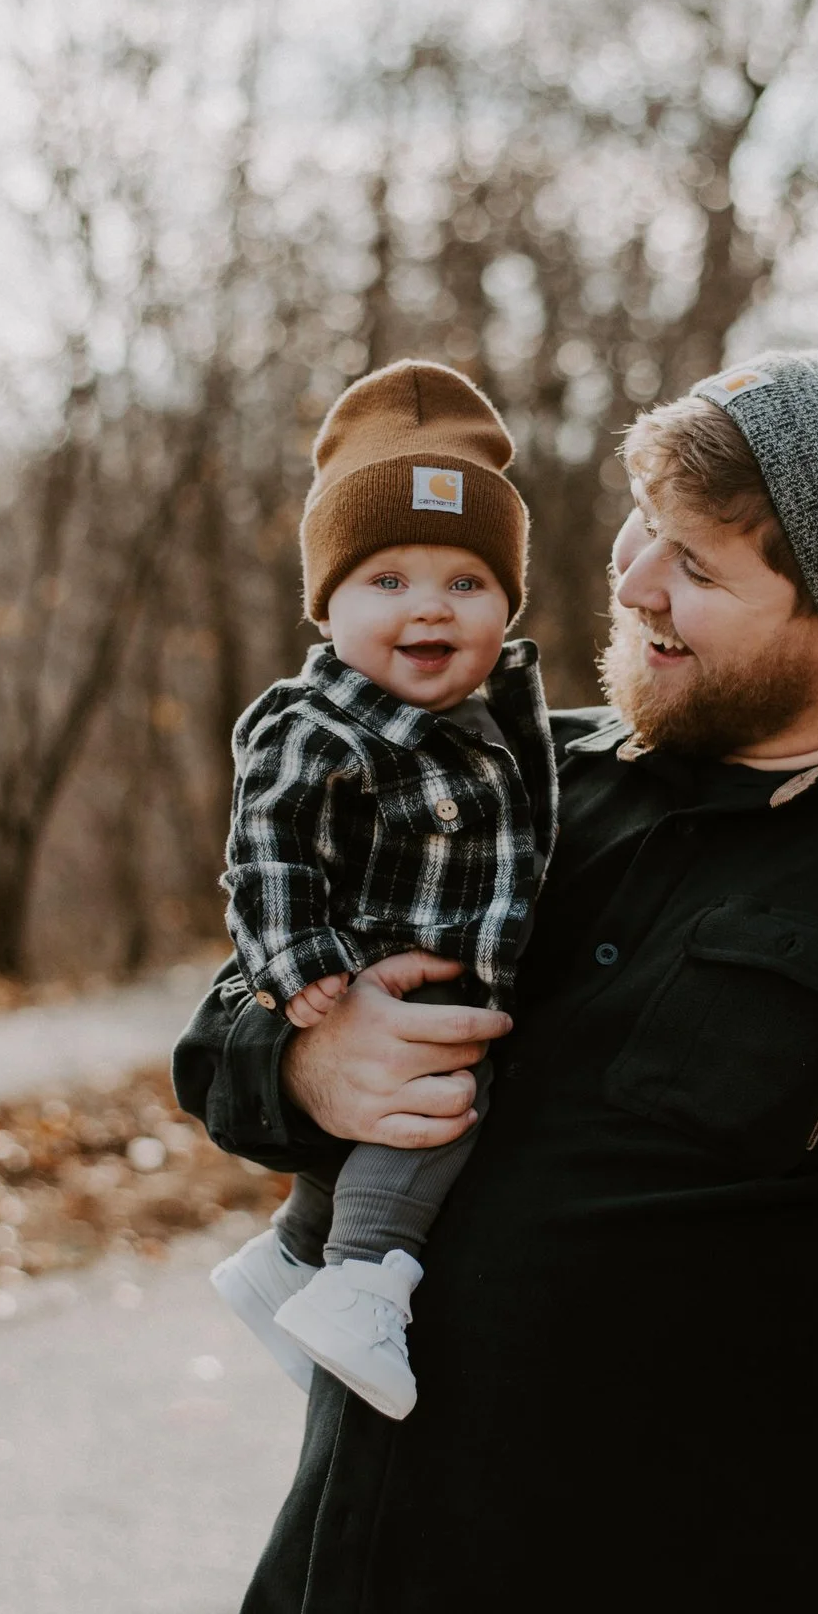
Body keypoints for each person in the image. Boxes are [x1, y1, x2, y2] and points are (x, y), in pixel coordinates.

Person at [175, 351, 818, 1612]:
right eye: (646, 528)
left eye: (696, 566)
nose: (634, 580)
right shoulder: (523, 774)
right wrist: (307, 1062)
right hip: (351, 1569)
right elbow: (218, 1045)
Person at [205, 359, 558, 1420]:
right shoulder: (317, 724)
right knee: (438, 1108)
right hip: (372, 974)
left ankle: (282, 1264)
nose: (429, 610)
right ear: (327, 608)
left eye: (465, 582)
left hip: (451, 971)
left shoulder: (505, 731)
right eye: (386, 581)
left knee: (418, 1102)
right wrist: (297, 965)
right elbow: (264, 846)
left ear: (506, 601)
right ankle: (363, 1280)